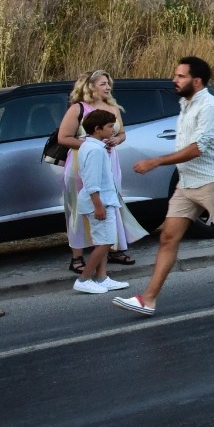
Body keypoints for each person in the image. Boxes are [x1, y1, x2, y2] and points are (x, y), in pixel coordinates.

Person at [114, 57, 214, 315]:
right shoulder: (186, 103)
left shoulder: (211, 107)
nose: (175, 80)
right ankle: (148, 299)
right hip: (186, 184)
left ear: (196, 81)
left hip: (211, 182)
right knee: (168, 237)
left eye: (180, 76)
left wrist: (156, 161)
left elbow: (198, 147)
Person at [57, 70, 143, 277]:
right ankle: (77, 256)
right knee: (80, 208)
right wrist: (91, 145)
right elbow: (63, 137)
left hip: (109, 161)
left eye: (108, 84)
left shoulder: (113, 108)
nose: (108, 87)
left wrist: (117, 140)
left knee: (111, 202)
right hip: (82, 162)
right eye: (103, 84)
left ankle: (113, 248)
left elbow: (121, 133)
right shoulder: (78, 108)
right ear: (90, 86)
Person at [72, 110, 128, 294]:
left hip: (103, 200)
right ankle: (83, 279)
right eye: (110, 126)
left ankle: (102, 277)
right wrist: (98, 205)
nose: (113, 130)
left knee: (103, 240)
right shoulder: (95, 150)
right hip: (99, 202)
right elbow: (91, 181)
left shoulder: (91, 146)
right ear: (97, 129)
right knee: (106, 241)